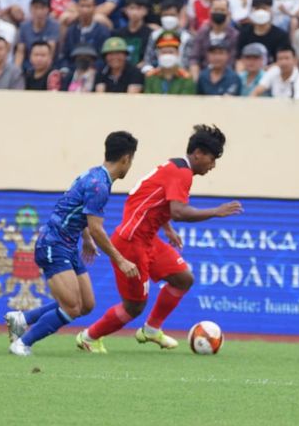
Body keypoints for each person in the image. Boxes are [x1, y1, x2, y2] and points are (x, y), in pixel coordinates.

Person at [76, 125, 243, 353]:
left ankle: (152, 329)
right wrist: (216, 211)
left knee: (183, 279)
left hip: (147, 239)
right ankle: (89, 336)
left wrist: (165, 227)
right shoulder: (181, 173)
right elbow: (179, 212)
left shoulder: (175, 165)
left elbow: (151, 196)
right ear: (198, 154)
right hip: (131, 243)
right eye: (212, 159)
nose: (212, 166)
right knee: (134, 306)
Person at [6, 132, 140, 356]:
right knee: (71, 307)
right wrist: (121, 259)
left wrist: (85, 238)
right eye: (132, 160)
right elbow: (97, 227)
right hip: (54, 244)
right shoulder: (100, 186)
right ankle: (22, 343)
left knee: (86, 304)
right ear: (126, 159)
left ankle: (22, 319)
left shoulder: (94, 175)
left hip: (68, 244)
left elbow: (77, 209)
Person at [188, 0, 238, 80]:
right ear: (209, 12)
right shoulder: (202, 34)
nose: (218, 13)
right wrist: (196, 80)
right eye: (215, 10)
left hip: (228, 79)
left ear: (228, 13)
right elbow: (194, 59)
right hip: (203, 78)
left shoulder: (235, 36)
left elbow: (234, 61)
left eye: (222, 10)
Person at [237, 0, 291, 65]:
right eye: (257, 9)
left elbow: (281, 61)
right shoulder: (244, 33)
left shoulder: (281, 36)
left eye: (264, 8)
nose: (260, 12)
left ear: (271, 11)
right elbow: (239, 59)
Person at [60, 0, 110, 69]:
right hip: (72, 71)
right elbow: (65, 55)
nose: (85, 10)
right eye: (82, 6)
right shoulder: (71, 31)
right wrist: (65, 69)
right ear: (77, 7)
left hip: (95, 72)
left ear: (94, 8)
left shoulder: (102, 31)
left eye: (88, 6)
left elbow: (104, 58)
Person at [142, 0, 192, 71]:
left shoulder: (187, 37)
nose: (169, 18)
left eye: (172, 15)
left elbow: (187, 62)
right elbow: (148, 60)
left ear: (178, 15)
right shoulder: (154, 35)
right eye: (165, 15)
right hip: (158, 74)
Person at [14, 0, 59, 70]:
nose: (39, 12)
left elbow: (51, 51)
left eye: (42, 8)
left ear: (48, 9)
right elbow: (20, 52)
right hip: (28, 65)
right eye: (36, 7)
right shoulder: (24, 26)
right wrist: (16, 71)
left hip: (47, 66)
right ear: (30, 9)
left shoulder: (54, 25)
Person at [144, 30, 195, 94]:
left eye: (171, 52)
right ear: (158, 54)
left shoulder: (186, 79)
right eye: (164, 52)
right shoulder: (151, 77)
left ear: (178, 54)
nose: (167, 55)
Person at [112, 0, 152, 66]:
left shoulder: (150, 34)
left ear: (145, 11)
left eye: (139, 8)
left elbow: (148, 58)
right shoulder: (117, 33)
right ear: (125, 10)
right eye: (131, 8)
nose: (135, 12)